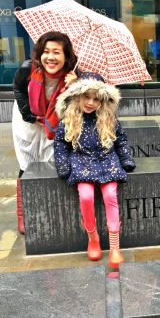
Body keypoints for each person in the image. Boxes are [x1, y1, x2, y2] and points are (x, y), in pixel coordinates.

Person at [12, 31, 101, 234]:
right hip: (27, 121)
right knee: (26, 163)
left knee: (51, 162)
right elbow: (17, 89)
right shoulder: (28, 69)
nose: (50, 57)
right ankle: (23, 214)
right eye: (46, 51)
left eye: (57, 52)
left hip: (55, 123)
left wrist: (75, 86)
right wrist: (29, 116)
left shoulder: (74, 75)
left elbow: (85, 102)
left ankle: (48, 207)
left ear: (66, 55)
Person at [53, 78, 135, 267]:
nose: (91, 103)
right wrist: (63, 166)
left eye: (96, 99)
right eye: (86, 97)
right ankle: (93, 238)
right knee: (86, 196)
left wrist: (126, 160)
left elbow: (120, 140)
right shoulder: (69, 120)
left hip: (107, 162)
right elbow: (61, 145)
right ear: (77, 97)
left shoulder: (109, 119)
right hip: (82, 162)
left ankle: (115, 247)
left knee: (110, 195)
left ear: (102, 101)